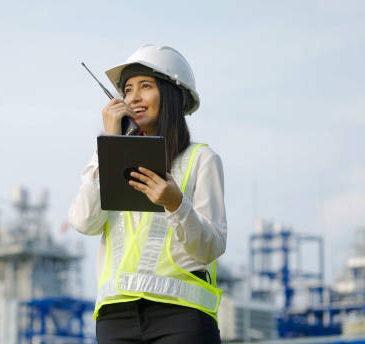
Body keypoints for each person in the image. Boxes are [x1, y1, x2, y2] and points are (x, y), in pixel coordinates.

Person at [68, 44, 227, 343]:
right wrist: (109, 144)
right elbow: (83, 221)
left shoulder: (201, 160)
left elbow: (212, 246)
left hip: (180, 317)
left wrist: (175, 203)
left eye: (145, 86)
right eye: (127, 90)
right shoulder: (109, 157)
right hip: (115, 319)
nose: (134, 98)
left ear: (171, 94)